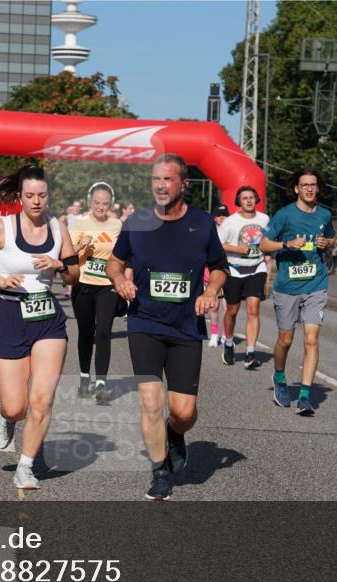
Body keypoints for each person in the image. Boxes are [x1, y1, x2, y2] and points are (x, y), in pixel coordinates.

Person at [107, 154, 228, 501]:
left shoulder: (203, 224)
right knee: (150, 402)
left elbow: (219, 266)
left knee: (183, 411)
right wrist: (119, 280)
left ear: (183, 184)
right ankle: (160, 471)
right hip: (144, 320)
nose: (160, 185)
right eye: (156, 179)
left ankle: (175, 434)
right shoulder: (137, 222)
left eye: (168, 179)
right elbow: (115, 263)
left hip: (186, 325)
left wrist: (210, 289)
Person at [0, 165, 79, 490]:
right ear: (19, 196)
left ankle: (26, 465)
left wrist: (61, 265)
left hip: (47, 317)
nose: (36, 201)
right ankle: (6, 416)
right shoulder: (2, 226)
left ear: (50, 196)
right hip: (9, 314)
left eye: (42, 195)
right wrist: (1, 279)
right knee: (16, 405)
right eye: (30, 195)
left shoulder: (58, 227)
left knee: (42, 399)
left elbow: (74, 274)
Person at [258, 168, 336, 416]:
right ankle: (280, 377)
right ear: (296, 189)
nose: (310, 189)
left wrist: (327, 243)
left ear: (318, 188)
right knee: (286, 340)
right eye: (305, 185)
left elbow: (332, 238)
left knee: (311, 339)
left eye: (313, 185)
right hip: (287, 287)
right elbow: (262, 244)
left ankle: (304, 395)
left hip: (316, 284)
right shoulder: (284, 216)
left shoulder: (324, 214)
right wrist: (286, 244)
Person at [69, 181, 123, 405]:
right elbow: (68, 255)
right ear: (91, 202)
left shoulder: (117, 225)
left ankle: (101, 382)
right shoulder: (79, 224)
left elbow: (122, 254)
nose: (101, 207)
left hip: (107, 285)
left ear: (110, 204)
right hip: (83, 284)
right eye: (97, 203)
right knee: (86, 332)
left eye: (105, 204)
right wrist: (80, 246)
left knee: (103, 332)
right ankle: (84, 377)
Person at [219, 187, 270, 368]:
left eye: (251, 198)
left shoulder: (264, 219)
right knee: (232, 311)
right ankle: (229, 342)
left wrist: (269, 260)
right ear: (238, 202)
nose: (248, 201)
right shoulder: (230, 222)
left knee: (253, 309)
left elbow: (268, 241)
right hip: (234, 269)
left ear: (256, 200)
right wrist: (237, 249)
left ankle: (250, 352)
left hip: (256, 267)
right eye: (244, 198)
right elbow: (219, 245)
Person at [206, 205, 229, 347]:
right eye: (219, 215)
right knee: (214, 305)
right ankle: (214, 334)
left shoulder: (232, 229)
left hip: (230, 271)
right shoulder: (209, 231)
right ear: (214, 217)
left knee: (228, 307)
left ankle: (226, 335)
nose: (222, 217)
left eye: (225, 215)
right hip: (213, 271)